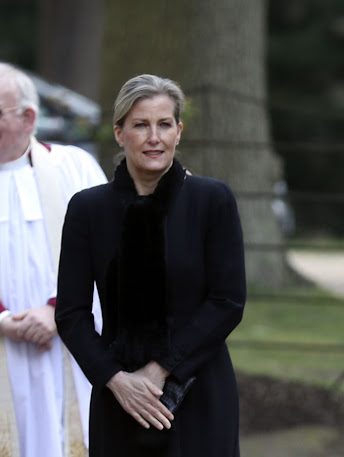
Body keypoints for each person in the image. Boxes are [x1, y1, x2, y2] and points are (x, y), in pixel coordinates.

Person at [54, 74, 246, 457]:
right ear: (120, 132)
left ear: (179, 131)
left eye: (164, 124)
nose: (154, 137)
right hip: (118, 397)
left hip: (200, 389)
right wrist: (116, 380)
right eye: (141, 125)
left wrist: (159, 371)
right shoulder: (88, 209)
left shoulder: (212, 201)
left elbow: (227, 302)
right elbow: (71, 314)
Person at [0, 62, 107, 457]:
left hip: (67, 347)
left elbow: (109, 255)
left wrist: (57, 311)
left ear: (28, 117)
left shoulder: (73, 168)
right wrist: (4, 320)